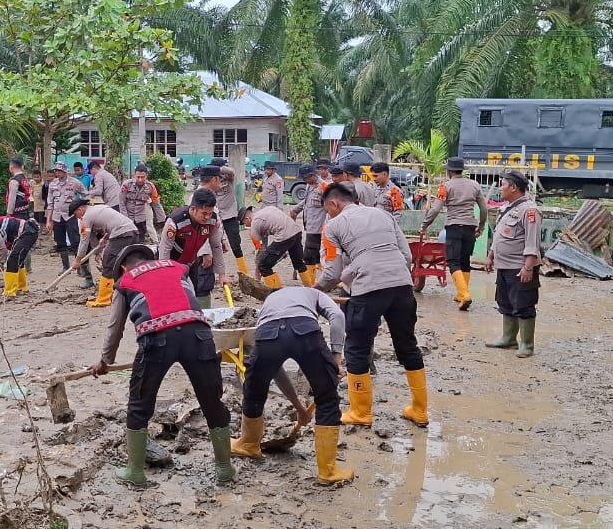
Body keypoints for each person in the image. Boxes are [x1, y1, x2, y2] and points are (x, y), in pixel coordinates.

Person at [88, 244, 235, 486]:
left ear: (123, 267)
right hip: (198, 335)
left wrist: (105, 361)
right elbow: (189, 301)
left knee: (139, 404)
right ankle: (224, 468)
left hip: (156, 339)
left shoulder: (125, 282)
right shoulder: (177, 268)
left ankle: (135, 472)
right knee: (212, 400)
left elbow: (115, 327)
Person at [316, 183, 428, 427]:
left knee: (356, 347)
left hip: (368, 289)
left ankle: (360, 413)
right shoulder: (383, 214)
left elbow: (332, 271)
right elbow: (407, 256)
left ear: (334, 203)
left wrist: (315, 290)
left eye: (327, 209)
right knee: (408, 345)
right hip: (402, 286)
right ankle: (420, 410)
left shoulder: (333, 225)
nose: (328, 214)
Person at [229, 286, 353, 484]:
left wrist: (299, 407)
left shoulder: (268, 306)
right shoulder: (312, 293)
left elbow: (275, 370)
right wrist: (336, 358)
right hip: (306, 332)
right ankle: (327, 472)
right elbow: (337, 316)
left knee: (254, 390)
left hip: (267, 335)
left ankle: (249, 445)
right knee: (327, 398)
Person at [483, 171, 542, 357]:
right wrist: (491, 255)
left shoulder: (529, 211)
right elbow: (499, 235)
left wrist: (528, 267)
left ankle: (527, 345)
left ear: (514, 188)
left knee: (523, 304)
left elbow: (532, 242)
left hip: (519, 266)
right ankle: (509, 338)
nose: (500, 188)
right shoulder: (506, 208)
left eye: (503, 184)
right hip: (504, 266)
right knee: (505, 302)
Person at [421, 158, 487, 311]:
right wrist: (481, 227)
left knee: (453, 261)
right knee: (465, 260)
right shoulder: (475, 185)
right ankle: (460, 294)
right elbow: (484, 209)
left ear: (449, 171)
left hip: (454, 227)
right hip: (470, 227)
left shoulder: (445, 186)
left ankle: (465, 294)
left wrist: (424, 225)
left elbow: (436, 209)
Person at [158, 188, 226, 307]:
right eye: (204, 213)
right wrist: (166, 276)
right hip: (171, 264)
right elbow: (164, 250)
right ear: (193, 209)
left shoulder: (213, 221)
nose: (207, 217)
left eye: (210, 213)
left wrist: (222, 274)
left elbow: (216, 246)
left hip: (191, 263)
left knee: (192, 296)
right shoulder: (175, 221)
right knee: (171, 299)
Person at [71, 200, 141, 307]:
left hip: (121, 235)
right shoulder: (99, 208)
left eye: (76, 215)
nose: (78, 218)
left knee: (108, 263)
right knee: (126, 264)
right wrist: (99, 250)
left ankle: (104, 299)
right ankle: (130, 292)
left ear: (80, 210)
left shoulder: (86, 218)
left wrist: (77, 260)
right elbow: (112, 224)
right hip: (133, 231)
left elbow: (84, 241)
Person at [46, 161, 92, 287]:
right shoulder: (52, 184)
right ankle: (65, 266)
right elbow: (50, 203)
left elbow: (86, 195)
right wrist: (49, 220)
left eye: (60, 171)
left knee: (76, 242)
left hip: (70, 216)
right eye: (56, 171)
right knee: (60, 242)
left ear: (65, 171)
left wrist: (80, 206)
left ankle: (80, 267)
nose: (58, 173)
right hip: (57, 217)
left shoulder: (74, 182)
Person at [243, 206, 311, 288]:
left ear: (247, 218)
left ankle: (276, 291)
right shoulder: (267, 209)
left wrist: (257, 275)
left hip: (284, 236)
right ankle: (310, 288)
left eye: (244, 223)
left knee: (264, 266)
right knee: (299, 264)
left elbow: (260, 250)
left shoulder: (254, 223)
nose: (245, 225)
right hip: (296, 231)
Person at [0, 214, 40, 297]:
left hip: (28, 231)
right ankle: (21, 288)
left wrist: (1, 263)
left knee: (13, 260)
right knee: (17, 260)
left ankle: (9, 292)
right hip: (26, 232)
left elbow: (2, 248)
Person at [207, 159, 248, 276]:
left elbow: (231, 171)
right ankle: (213, 273)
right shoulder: (212, 180)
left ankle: (244, 272)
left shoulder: (229, 178)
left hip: (229, 215)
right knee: (213, 244)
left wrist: (220, 168)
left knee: (235, 245)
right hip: (215, 216)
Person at [119, 164, 166, 241]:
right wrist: (125, 219)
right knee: (128, 242)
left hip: (141, 220)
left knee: (140, 242)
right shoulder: (126, 185)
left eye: (142, 177)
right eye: (138, 177)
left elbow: (156, 204)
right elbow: (121, 203)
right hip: (128, 219)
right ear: (134, 175)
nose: (140, 180)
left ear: (146, 176)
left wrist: (163, 219)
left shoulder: (151, 187)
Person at [6, 156, 34, 220]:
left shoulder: (15, 180)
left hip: (17, 214)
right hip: (25, 211)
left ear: (11, 166)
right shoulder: (24, 179)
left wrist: (9, 213)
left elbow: (12, 199)